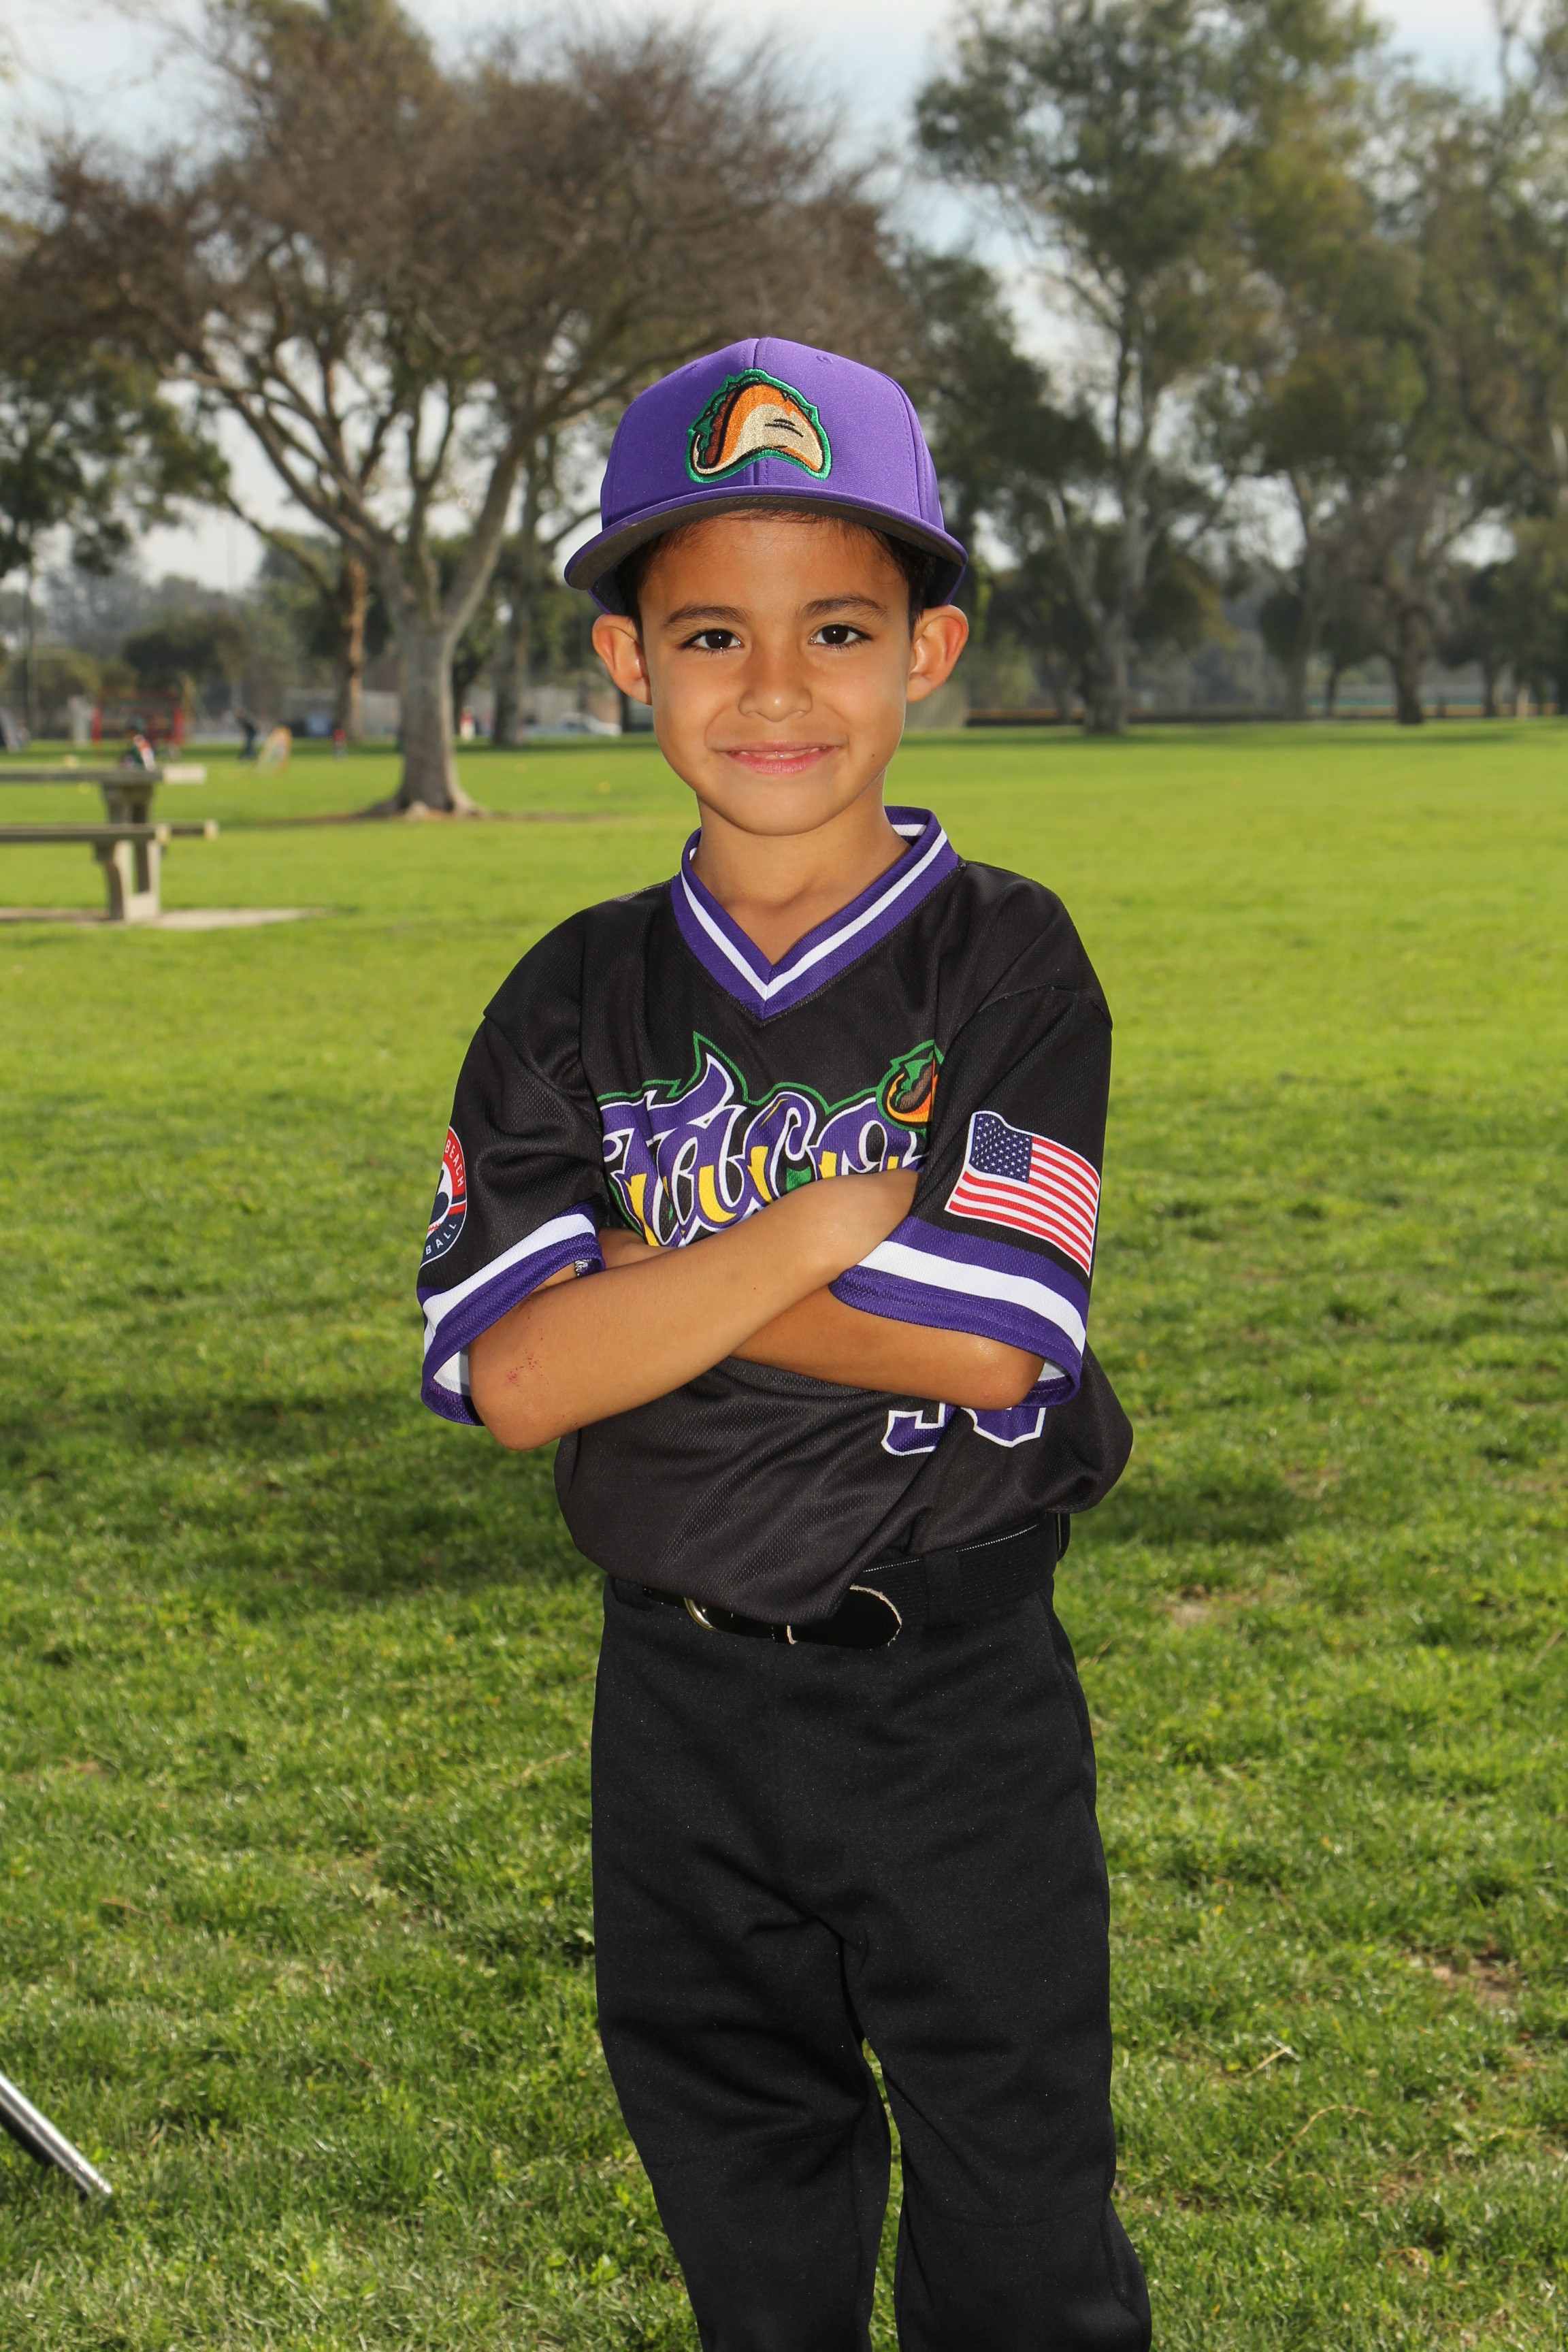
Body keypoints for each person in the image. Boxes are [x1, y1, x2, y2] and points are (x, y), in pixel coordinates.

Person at [417, 338, 1149, 2351]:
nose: (773, 689)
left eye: (836, 628)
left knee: (1021, 2236)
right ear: (624, 663)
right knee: (747, 2221)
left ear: (929, 653)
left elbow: (990, 1347)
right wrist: (826, 1224)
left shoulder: (1005, 956)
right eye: (708, 634)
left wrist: (656, 1274)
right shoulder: (572, 991)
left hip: (954, 1701)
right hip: (677, 1705)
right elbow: (516, 1384)